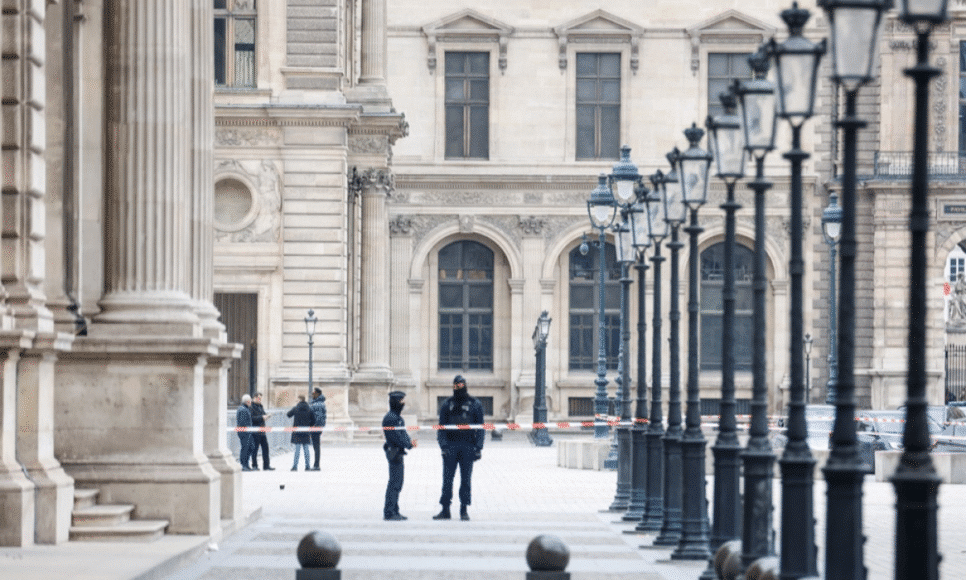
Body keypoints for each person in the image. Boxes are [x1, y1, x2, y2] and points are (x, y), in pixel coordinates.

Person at [433, 375, 484, 521]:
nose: (459, 388)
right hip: (451, 446)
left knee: (466, 480)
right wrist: (443, 446)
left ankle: (464, 509)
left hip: (468, 446)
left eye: (462, 385)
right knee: (447, 480)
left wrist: (478, 447)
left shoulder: (475, 404)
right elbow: (441, 428)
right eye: (457, 386)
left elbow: (480, 428)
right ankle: (445, 509)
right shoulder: (447, 404)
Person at [382, 391, 417, 521]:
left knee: (398, 483)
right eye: (402, 401)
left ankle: (394, 510)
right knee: (394, 483)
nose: (404, 403)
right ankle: (390, 512)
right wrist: (409, 444)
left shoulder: (396, 417)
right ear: (396, 402)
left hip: (398, 452)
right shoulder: (391, 418)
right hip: (394, 452)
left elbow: (403, 434)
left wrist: (409, 442)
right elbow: (396, 436)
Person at [287, 395, 315, 471]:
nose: (296, 402)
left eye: (296, 400)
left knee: (297, 450)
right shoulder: (309, 408)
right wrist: (309, 425)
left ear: (299, 400)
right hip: (306, 431)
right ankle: (308, 466)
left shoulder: (296, 408)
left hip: (297, 431)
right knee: (306, 449)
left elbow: (288, 414)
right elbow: (314, 420)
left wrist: (294, 408)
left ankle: (295, 466)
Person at [250, 393, 274, 471]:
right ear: (254, 398)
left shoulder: (260, 406)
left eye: (261, 398)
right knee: (255, 449)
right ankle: (254, 465)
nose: (260, 400)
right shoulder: (251, 406)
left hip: (262, 430)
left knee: (265, 448)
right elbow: (252, 418)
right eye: (259, 398)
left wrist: (267, 416)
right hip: (255, 431)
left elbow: (263, 414)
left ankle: (266, 466)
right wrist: (261, 417)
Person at [310, 387, 328, 471]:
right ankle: (316, 464)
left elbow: (318, 417)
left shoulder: (317, 404)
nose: (312, 395)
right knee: (316, 447)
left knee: (316, 447)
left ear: (317, 394)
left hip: (315, 428)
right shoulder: (320, 403)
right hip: (318, 427)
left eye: (314, 394)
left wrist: (314, 426)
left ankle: (316, 465)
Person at [236, 394, 255, 472]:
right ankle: (244, 465)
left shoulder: (245, 408)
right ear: (247, 401)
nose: (251, 402)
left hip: (247, 432)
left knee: (251, 446)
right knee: (245, 448)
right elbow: (243, 422)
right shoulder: (243, 409)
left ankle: (246, 464)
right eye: (250, 400)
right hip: (244, 432)